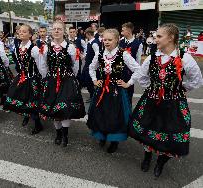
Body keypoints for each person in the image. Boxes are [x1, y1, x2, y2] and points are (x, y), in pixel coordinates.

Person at [129, 23, 203, 177]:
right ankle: (147, 156)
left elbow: (197, 80)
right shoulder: (152, 57)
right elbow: (142, 77)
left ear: (171, 38)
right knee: (148, 129)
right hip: (152, 100)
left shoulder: (185, 58)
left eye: (159, 36)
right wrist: (152, 88)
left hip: (173, 103)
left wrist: (181, 88)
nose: (155, 39)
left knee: (171, 133)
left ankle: (161, 161)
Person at [87, 29, 140, 153]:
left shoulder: (123, 54)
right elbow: (91, 67)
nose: (106, 42)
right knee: (101, 113)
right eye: (104, 39)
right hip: (102, 90)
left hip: (116, 91)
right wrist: (95, 80)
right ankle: (102, 136)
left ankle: (114, 141)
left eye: (109, 40)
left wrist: (128, 83)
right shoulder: (100, 54)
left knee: (114, 115)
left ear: (117, 40)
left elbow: (138, 69)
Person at [38, 21, 86, 147]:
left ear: (63, 31)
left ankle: (65, 135)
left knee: (65, 108)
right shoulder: (46, 47)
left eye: (59, 29)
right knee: (54, 108)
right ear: (51, 31)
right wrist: (47, 79)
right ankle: (58, 133)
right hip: (52, 81)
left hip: (67, 81)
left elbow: (75, 66)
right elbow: (43, 66)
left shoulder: (71, 47)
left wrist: (71, 78)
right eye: (54, 29)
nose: (57, 31)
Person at [3, 24, 43, 135]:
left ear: (30, 34)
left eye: (24, 32)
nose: (21, 33)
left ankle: (37, 124)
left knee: (33, 100)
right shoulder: (17, 48)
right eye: (20, 31)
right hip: (22, 77)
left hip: (33, 78)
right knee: (19, 96)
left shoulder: (34, 48)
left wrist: (40, 78)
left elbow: (40, 65)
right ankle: (26, 114)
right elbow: (18, 64)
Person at [119, 22, 143, 104]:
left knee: (128, 93)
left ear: (129, 31)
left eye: (123, 31)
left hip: (130, 72)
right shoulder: (120, 41)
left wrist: (134, 74)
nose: (121, 32)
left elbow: (138, 60)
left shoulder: (138, 44)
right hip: (119, 70)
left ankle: (128, 112)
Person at [82, 27, 99, 102]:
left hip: (91, 65)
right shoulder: (90, 42)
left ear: (88, 34)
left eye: (86, 34)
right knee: (86, 80)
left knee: (89, 81)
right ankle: (92, 95)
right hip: (87, 64)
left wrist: (93, 64)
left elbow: (97, 54)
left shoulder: (94, 43)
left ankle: (93, 96)